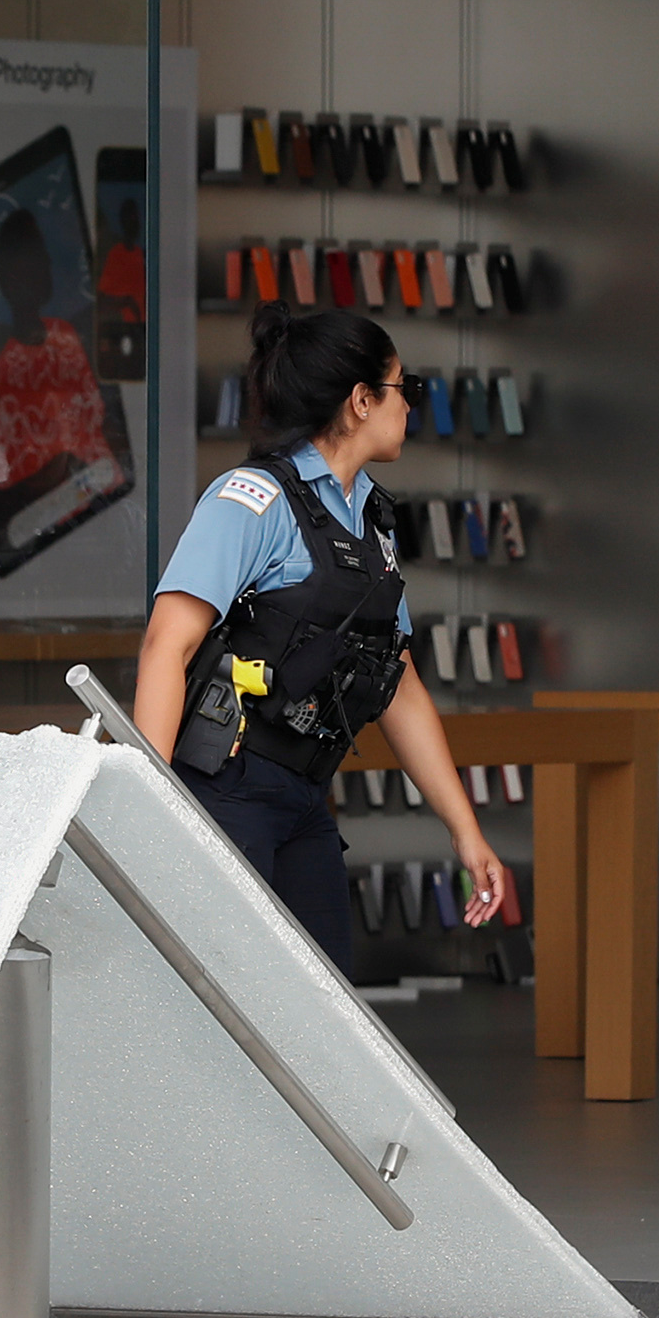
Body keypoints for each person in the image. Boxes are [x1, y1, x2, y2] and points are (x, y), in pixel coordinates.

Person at [129, 304, 511, 976]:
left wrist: (465, 830)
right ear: (362, 400)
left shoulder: (371, 520)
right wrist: (152, 810)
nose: (411, 407)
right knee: (227, 1006)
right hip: (227, 789)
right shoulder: (253, 499)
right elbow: (168, 643)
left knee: (326, 1011)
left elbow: (399, 683)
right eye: (405, 389)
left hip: (305, 797)